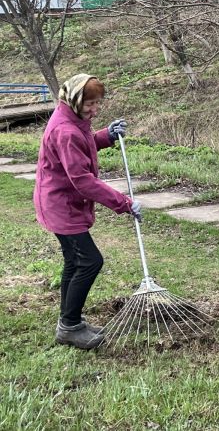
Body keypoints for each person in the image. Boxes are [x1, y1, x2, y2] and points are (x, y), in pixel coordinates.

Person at [34, 74, 141, 350]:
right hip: (62, 206)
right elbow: (81, 180)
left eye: (97, 103)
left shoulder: (72, 119)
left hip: (60, 202)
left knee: (74, 261)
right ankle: (69, 327)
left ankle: (70, 322)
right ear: (74, 100)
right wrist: (124, 203)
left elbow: (83, 143)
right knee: (90, 261)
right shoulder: (65, 130)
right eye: (90, 104)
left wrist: (105, 136)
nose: (95, 109)